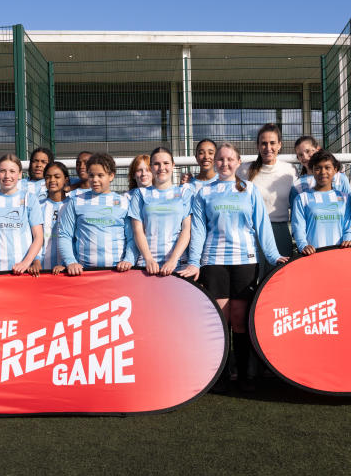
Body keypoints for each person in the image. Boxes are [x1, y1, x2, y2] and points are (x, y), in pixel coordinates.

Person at [179, 142, 288, 391]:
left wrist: (273, 256)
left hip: (244, 261)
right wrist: (195, 262)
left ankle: (245, 373)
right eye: (220, 159)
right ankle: (221, 375)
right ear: (215, 163)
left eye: (229, 159)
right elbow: (198, 230)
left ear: (238, 162)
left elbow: (262, 225)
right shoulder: (203, 192)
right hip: (214, 261)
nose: (224, 163)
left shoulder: (249, 190)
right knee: (221, 319)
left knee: (239, 319)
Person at [57, 152, 136, 275]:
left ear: (111, 176)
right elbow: (64, 235)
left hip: (117, 272)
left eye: (100, 175)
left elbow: (132, 237)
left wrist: (128, 260)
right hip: (84, 272)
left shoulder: (123, 202)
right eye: (91, 175)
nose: (95, 180)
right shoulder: (76, 201)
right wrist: (70, 261)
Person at [0, 154, 44, 277]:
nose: (7, 176)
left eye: (12, 171)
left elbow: (38, 236)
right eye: (2, 171)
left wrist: (26, 262)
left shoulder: (30, 198)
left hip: (24, 270)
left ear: (19, 175)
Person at [237, 123, 298, 261]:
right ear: (258, 146)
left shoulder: (290, 170)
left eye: (272, 143)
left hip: (280, 231)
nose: (268, 148)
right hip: (252, 231)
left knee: (278, 276)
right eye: (263, 143)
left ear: (279, 145)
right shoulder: (244, 170)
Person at [128, 147, 192, 275]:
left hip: (177, 264)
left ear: (173, 166)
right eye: (157, 164)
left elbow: (186, 230)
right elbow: (138, 231)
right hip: (146, 265)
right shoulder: (140, 194)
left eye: (166, 163)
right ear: (151, 167)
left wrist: (173, 260)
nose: (161, 167)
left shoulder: (184, 192)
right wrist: (148, 259)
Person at [291, 150, 351, 255]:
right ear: (312, 170)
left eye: (327, 167)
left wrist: (348, 239)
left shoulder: (345, 198)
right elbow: (298, 228)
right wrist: (303, 245)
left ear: (335, 170)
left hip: (340, 254)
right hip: (313, 256)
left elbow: (348, 226)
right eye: (318, 168)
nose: (323, 172)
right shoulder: (302, 198)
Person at [288, 135, 351, 208]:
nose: (305, 157)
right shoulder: (297, 186)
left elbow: (349, 206)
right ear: (298, 158)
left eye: (308, 151)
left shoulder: (340, 178)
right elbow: (296, 214)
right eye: (300, 155)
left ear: (317, 150)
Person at [37, 161, 69, 274]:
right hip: (41, 268)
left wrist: (67, 263)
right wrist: (36, 261)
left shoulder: (72, 205)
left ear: (66, 180)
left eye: (57, 177)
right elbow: (33, 237)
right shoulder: (37, 206)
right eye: (48, 177)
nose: (52, 180)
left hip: (67, 268)